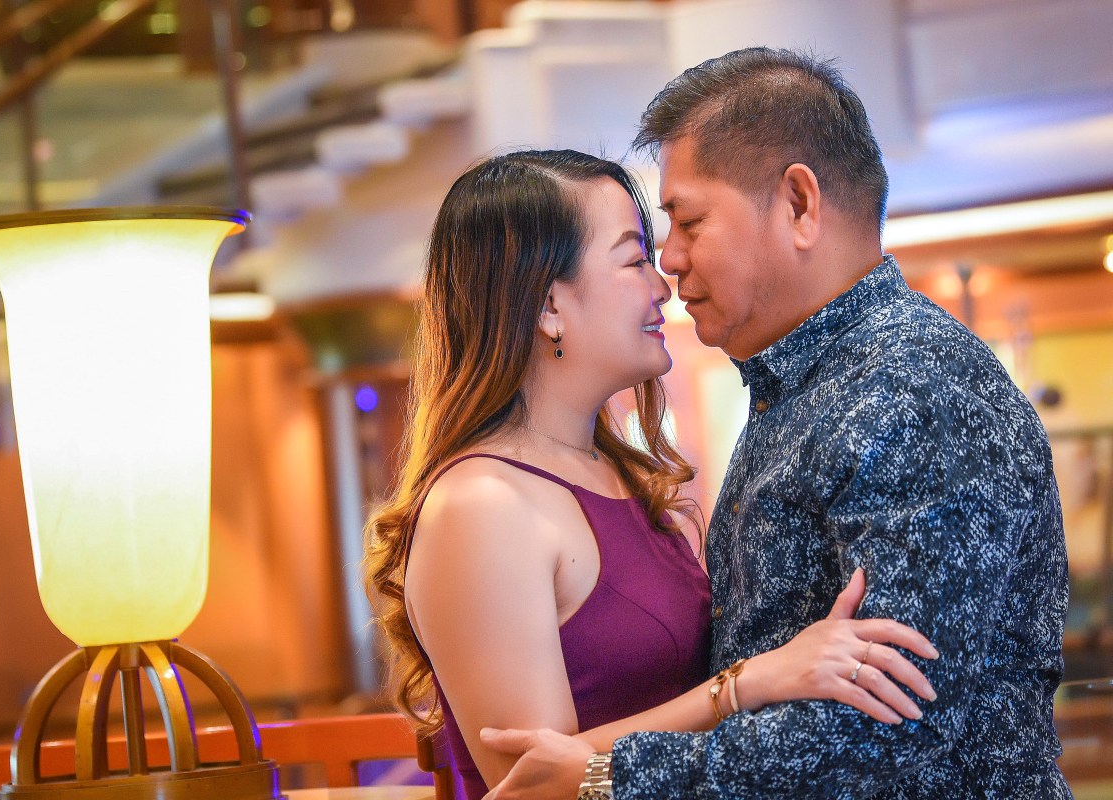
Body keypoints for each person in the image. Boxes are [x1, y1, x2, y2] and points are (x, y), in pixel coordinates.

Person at [480, 48, 1070, 799]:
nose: (670, 261)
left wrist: (612, 773)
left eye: (689, 221)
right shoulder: (812, 385)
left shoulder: (913, 390)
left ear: (798, 204)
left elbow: (896, 722)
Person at [363, 148, 939, 800]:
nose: (662, 286)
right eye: (634, 259)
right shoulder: (481, 504)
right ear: (549, 304)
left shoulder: (609, 472)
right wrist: (747, 684)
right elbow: (533, 781)